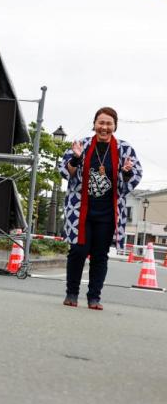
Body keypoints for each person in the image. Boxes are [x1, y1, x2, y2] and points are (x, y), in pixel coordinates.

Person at [59, 107, 142, 309]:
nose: (104, 127)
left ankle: (94, 297)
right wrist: (76, 159)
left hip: (108, 211)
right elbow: (66, 171)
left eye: (109, 124)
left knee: (100, 254)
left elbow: (135, 177)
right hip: (81, 210)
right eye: (101, 123)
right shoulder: (82, 145)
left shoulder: (125, 149)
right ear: (94, 124)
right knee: (78, 250)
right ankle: (71, 293)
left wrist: (126, 173)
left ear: (115, 126)